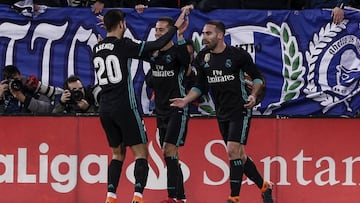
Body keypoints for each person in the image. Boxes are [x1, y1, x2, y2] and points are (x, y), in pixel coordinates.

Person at [169, 20, 273, 203]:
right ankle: (264, 186)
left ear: (220, 35)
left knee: (233, 150)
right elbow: (200, 86)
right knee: (239, 155)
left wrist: (254, 96)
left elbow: (257, 78)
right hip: (221, 111)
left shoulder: (237, 55)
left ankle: (233, 198)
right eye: (203, 33)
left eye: (208, 33)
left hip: (241, 108)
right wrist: (186, 100)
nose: (204, 37)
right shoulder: (203, 58)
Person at [92, 8, 189, 203]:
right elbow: (158, 44)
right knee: (141, 153)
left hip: (104, 109)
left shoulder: (97, 47)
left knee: (117, 154)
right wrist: (176, 28)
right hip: (124, 106)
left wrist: (112, 24)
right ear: (121, 25)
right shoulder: (124, 45)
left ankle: (111, 196)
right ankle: (138, 196)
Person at [143, 16, 190, 203]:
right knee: (169, 154)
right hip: (160, 110)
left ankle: (171, 198)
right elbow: (149, 79)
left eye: (161, 30)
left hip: (176, 108)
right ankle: (181, 198)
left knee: (169, 149)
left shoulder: (178, 52)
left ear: (170, 32)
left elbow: (186, 61)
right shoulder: (153, 54)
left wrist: (179, 35)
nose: (157, 33)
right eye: (156, 29)